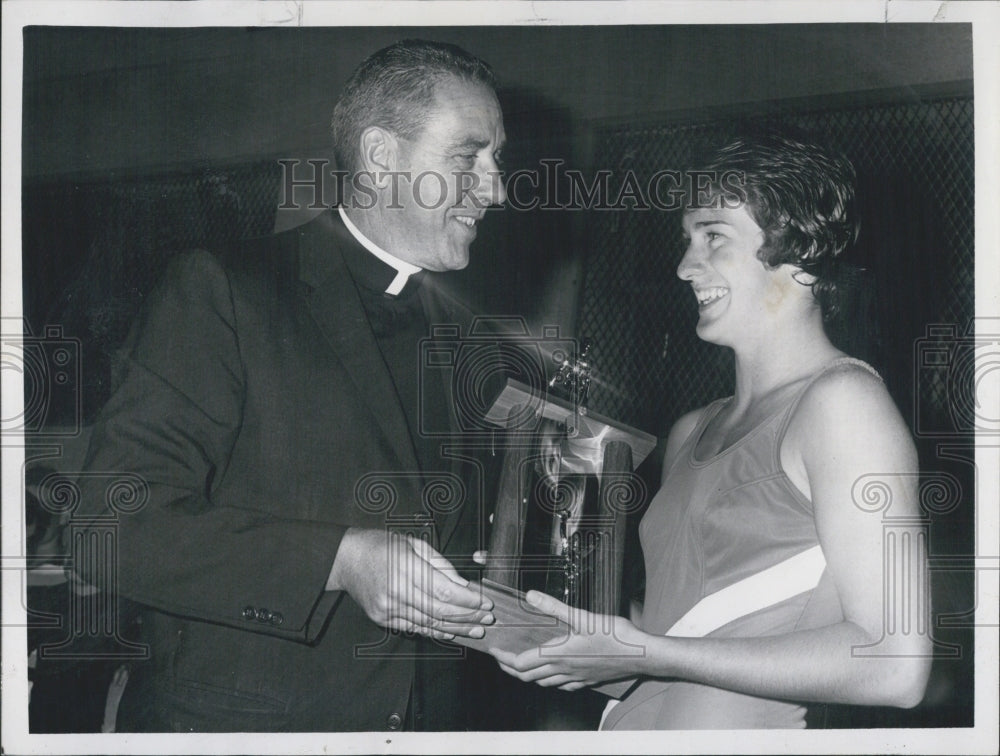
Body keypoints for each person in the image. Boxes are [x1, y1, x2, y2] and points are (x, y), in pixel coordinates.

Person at [74, 39, 507, 731]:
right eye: (469, 158)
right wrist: (336, 560)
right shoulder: (224, 288)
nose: (496, 188)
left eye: (495, 162)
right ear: (381, 156)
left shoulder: (472, 345)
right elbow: (110, 525)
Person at [489, 134, 932, 729]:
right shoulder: (691, 430)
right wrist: (541, 608)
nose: (683, 266)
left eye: (714, 237)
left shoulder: (843, 404)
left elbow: (895, 663)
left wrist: (649, 651)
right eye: (687, 239)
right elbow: (683, 641)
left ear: (799, 249)